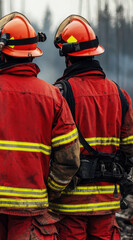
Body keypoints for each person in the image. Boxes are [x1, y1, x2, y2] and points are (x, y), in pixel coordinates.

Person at [0, 12, 80, 239]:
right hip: (31, 213)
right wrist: (49, 191)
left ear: (1, 52)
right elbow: (69, 157)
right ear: (32, 54)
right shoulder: (52, 97)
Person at [50, 15, 133, 240]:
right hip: (107, 202)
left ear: (67, 57)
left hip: (69, 202)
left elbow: (50, 149)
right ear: (95, 53)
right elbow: (130, 149)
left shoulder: (60, 95)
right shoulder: (120, 94)